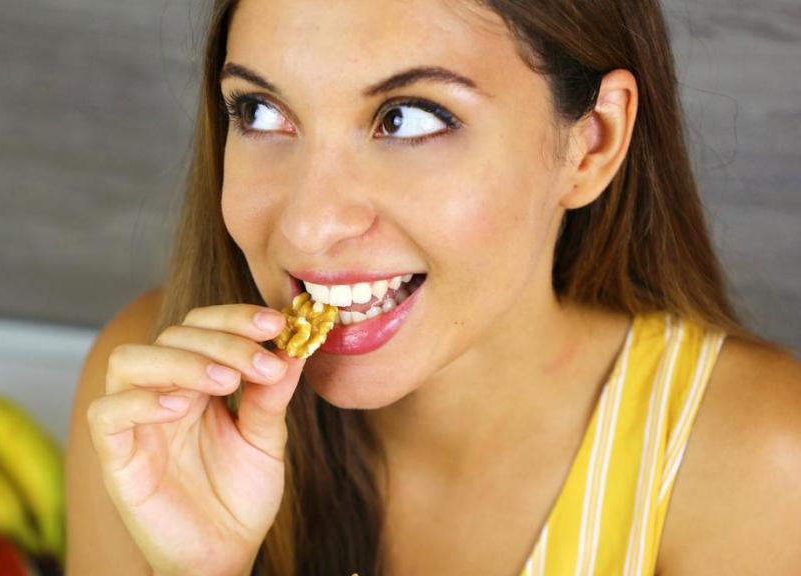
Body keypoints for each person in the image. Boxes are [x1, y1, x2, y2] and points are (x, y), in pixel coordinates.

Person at [66, 0, 801, 574]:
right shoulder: (154, 407)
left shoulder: (756, 466)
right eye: (259, 112)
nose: (309, 227)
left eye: (408, 119)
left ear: (593, 142)